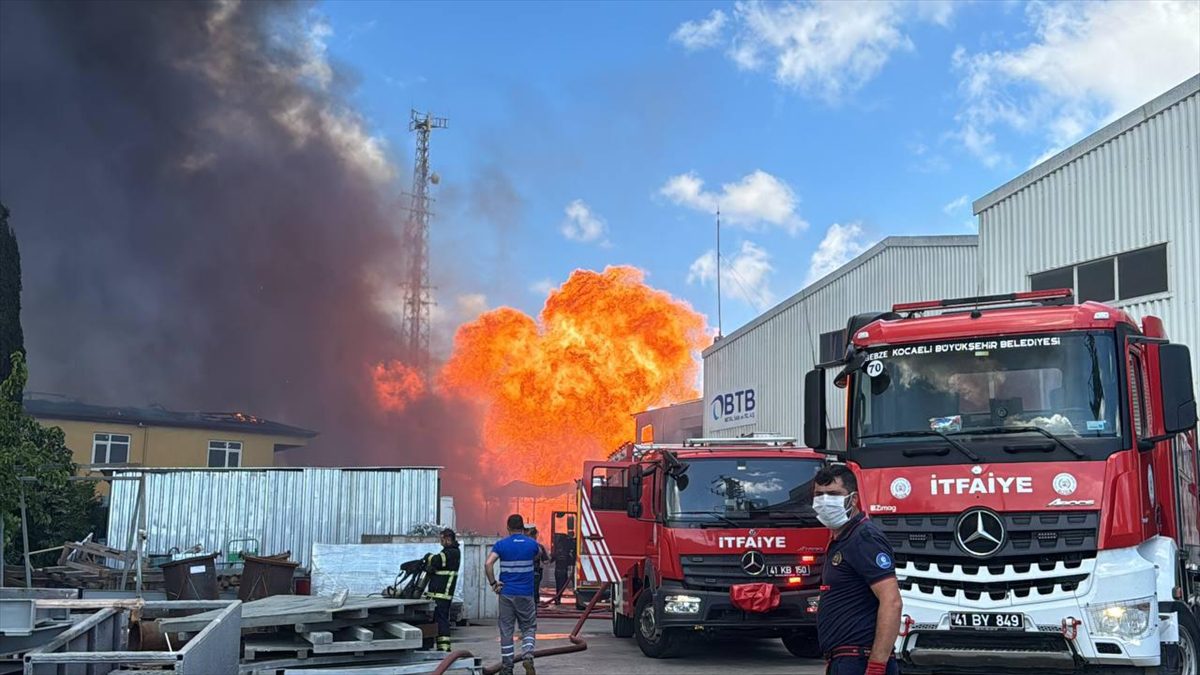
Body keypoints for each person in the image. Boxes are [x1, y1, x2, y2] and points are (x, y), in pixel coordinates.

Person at [813, 464, 903, 675]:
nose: (825, 501)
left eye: (833, 494)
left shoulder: (863, 537)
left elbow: (892, 601)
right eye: (819, 495)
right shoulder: (843, 539)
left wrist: (876, 666)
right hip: (844, 660)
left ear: (853, 499)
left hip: (860, 661)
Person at [485, 514, 540, 675]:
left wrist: (494, 584)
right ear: (523, 528)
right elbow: (538, 557)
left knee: (507, 631)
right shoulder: (532, 544)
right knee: (528, 627)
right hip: (526, 594)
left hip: (506, 593)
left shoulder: (501, 545)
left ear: (508, 528)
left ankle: (507, 668)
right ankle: (528, 655)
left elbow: (488, 563)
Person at [422, 528, 461, 653]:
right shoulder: (448, 551)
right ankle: (438, 647)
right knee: (435, 620)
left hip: (443, 594)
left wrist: (428, 556)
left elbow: (437, 560)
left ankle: (444, 649)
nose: (441, 542)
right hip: (438, 594)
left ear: (448, 539)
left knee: (442, 620)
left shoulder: (452, 552)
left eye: (442, 539)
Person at [550, 526, 576, 606]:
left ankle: (558, 598)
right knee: (561, 585)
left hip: (561, 570)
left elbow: (551, 559)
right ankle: (558, 598)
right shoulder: (567, 546)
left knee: (560, 585)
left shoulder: (559, 548)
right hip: (562, 570)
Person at [526, 527, 551, 604]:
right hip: (535, 573)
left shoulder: (521, 546)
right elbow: (546, 561)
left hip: (523, 572)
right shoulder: (539, 547)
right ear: (535, 536)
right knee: (534, 592)